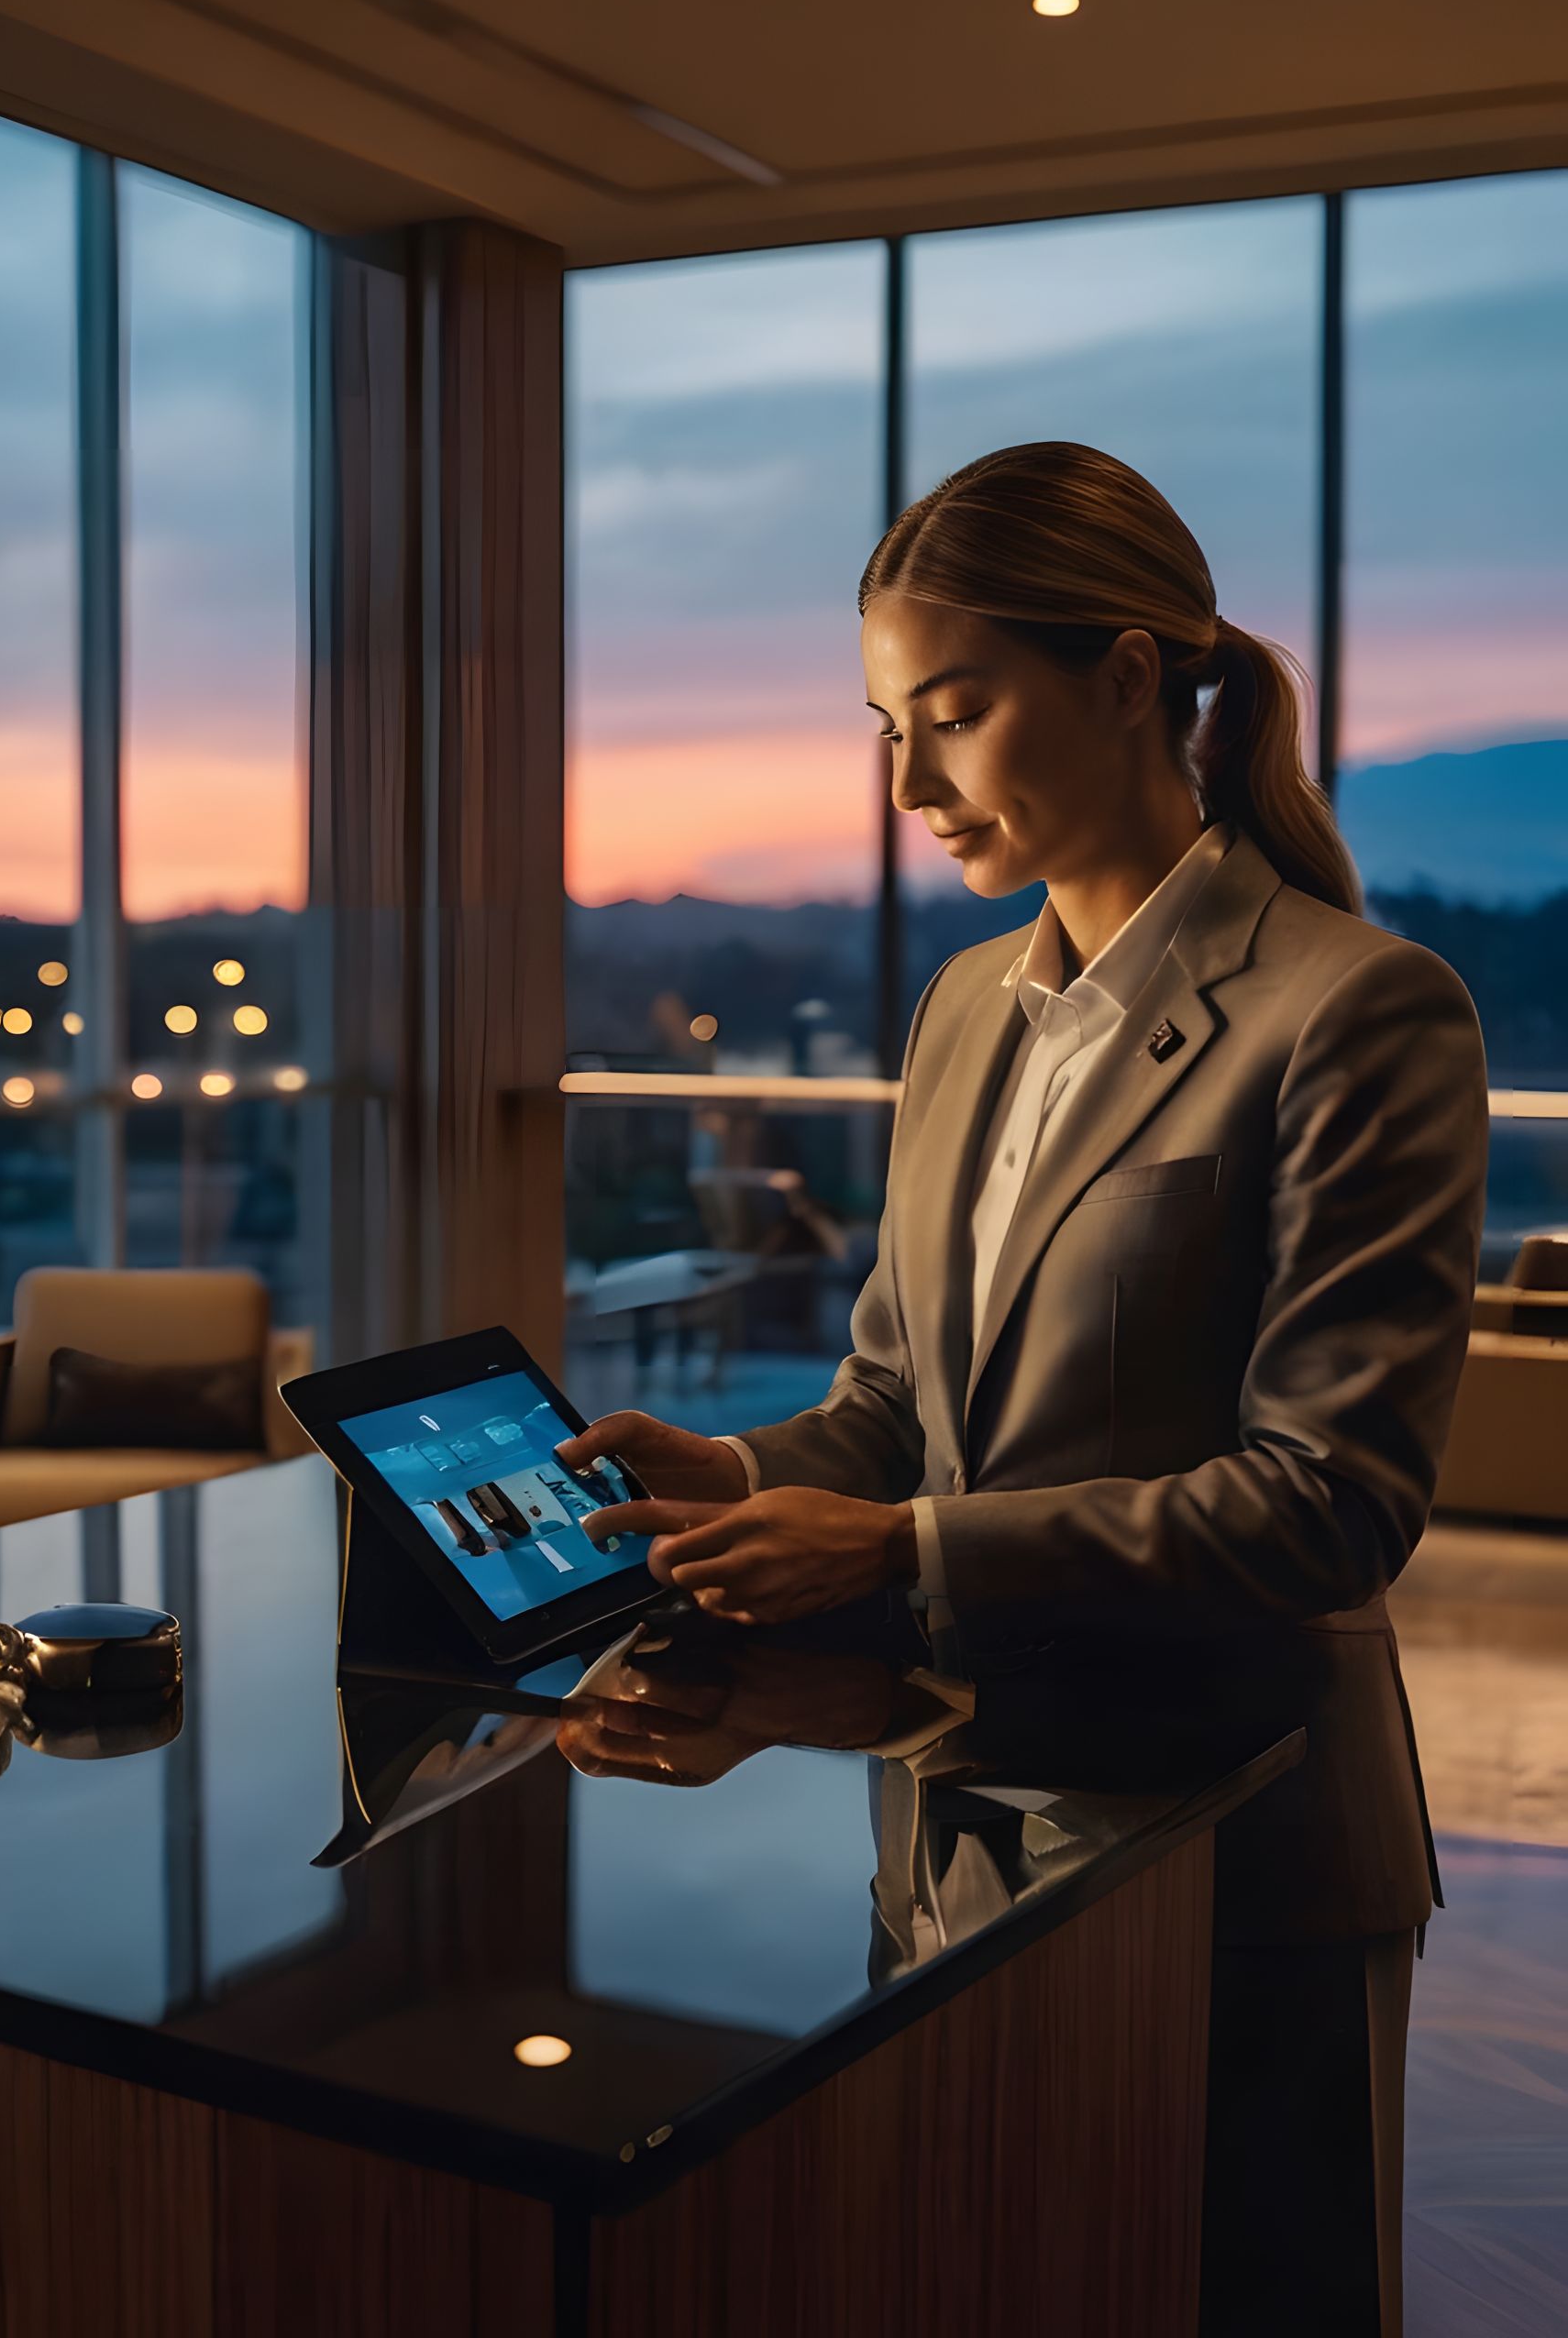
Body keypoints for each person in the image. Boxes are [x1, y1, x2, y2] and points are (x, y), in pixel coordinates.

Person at [564, 442, 1488, 2338]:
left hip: (1234, 1848)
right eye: (887, 726)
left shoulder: (1357, 1009)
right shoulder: (963, 1006)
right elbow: (900, 1392)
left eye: (954, 712)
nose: (908, 786)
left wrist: (891, 1540)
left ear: (1131, 677)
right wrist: (737, 1468)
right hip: (951, 1814)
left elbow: (1328, 1499)